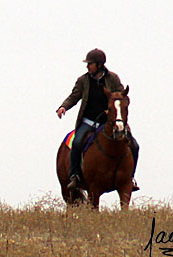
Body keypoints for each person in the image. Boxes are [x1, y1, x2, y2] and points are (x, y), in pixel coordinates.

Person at [56, 48, 139, 191]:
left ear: (99, 65)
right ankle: (75, 175)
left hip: (109, 121)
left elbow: (122, 96)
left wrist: (113, 108)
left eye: (90, 63)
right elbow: (74, 97)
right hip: (88, 122)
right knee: (76, 143)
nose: (87, 66)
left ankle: (130, 178)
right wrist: (63, 107)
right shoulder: (83, 80)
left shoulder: (113, 78)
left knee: (135, 145)